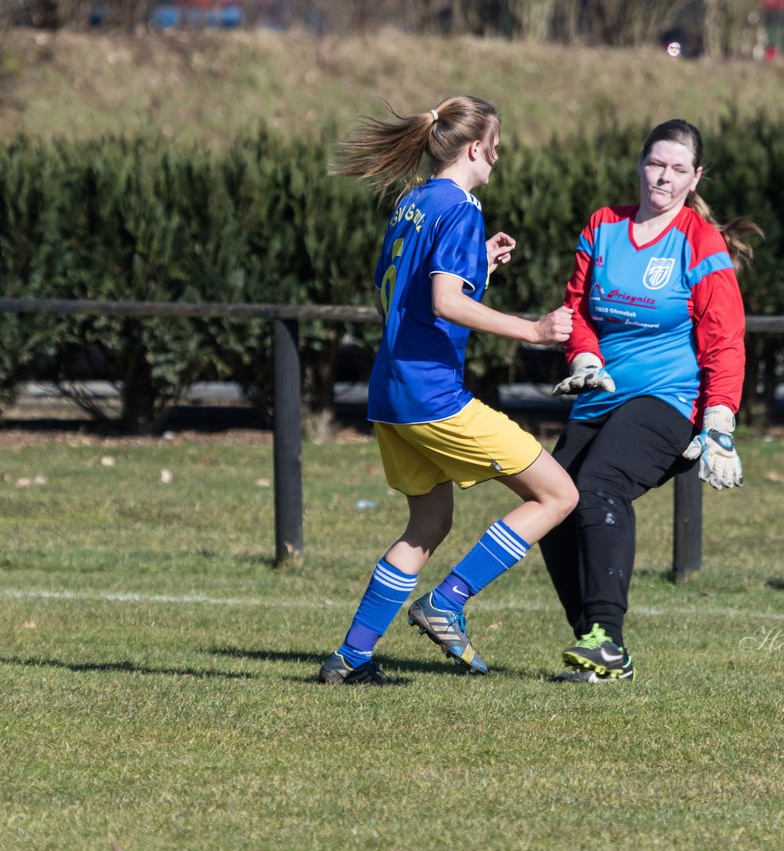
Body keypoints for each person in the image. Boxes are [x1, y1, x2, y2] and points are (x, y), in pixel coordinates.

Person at [318, 95, 579, 685]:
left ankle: (351, 657)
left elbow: (410, 292)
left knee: (429, 524)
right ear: (474, 149)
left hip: (389, 393)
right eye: (496, 147)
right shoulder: (461, 207)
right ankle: (447, 602)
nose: (497, 159)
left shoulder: (414, 201)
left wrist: (478, 265)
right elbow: (444, 302)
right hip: (432, 395)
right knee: (558, 496)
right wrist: (534, 331)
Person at [538, 118, 758, 683]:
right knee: (550, 503)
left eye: (678, 169)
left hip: (669, 401)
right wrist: (584, 359)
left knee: (599, 486)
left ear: (695, 177)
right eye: (656, 163)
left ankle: (606, 638)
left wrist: (719, 424)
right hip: (600, 399)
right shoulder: (602, 227)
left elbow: (725, 340)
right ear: (640, 164)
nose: (663, 176)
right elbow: (579, 311)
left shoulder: (699, 241)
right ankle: (596, 645)